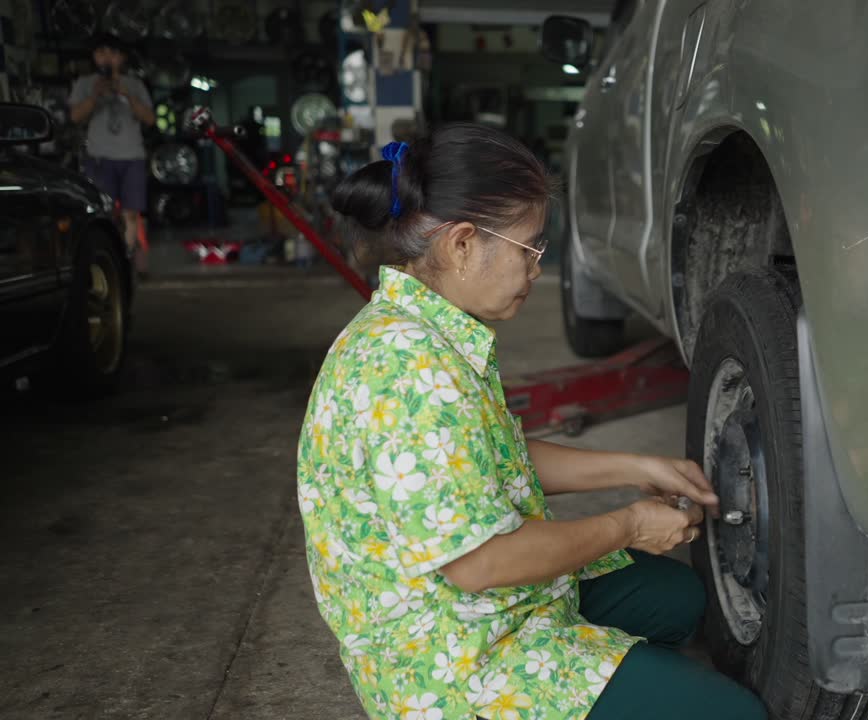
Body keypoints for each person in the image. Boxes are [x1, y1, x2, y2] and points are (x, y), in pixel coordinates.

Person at [297, 124, 767, 720]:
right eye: (529, 249)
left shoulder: (418, 327)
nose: (537, 268)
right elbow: (481, 562)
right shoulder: (412, 368)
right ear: (462, 244)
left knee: (678, 600)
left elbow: (497, 458)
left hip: (476, 609)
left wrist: (636, 467)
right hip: (455, 659)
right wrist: (626, 525)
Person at [69, 33, 155, 268]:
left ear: (122, 58)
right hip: (99, 157)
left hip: (132, 157)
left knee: (131, 213)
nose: (107, 58)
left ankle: (129, 261)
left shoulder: (134, 84)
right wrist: (96, 95)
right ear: (94, 57)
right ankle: (107, 261)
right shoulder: (85, 83)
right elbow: (75, 117)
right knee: (103, 214)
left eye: (113, 53)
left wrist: (126, 94)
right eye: (101, 53)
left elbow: (150, 119)